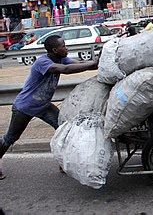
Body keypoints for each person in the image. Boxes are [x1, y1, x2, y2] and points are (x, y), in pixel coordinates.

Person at [0, 35, 99, 179]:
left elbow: (77, 64)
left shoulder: (61, 58)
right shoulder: (43, 62)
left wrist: (95, 63)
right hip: (25, 106)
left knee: (64, 129)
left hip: (43, 106)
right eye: (63, 46)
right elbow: (65, 69)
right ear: (54, 50)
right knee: (10, 138)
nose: (66, 48)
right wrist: (92, 64)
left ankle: (63, 163)